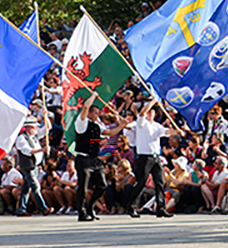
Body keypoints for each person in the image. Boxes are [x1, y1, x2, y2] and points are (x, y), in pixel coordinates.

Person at [73, 91, 126, 222]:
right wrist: (94, 96)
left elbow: (109, 132)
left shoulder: (97, 125)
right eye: (96, 113)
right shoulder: (81, 123)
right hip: (83, 158)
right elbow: (85, 107)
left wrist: (121, 126)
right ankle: (82, 212)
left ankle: (91, 207)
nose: (98, 115)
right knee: (83, 187)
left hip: (93, 158)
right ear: (90, 113)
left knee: (102, 184)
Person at [126, 96, 177, 218]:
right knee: (141, 182)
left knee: (160, 182)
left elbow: (166, 132)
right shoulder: (141, 123)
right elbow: (142, 112)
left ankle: (161, 208)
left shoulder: (156, 126)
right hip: (144, 157)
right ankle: (131, 206)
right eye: (149, 111)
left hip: (155, 156)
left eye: (152, 111)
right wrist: (153, 101)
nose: (150, 113)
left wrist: (177, 132)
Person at [15, 116, 52, 217]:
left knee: (26, 188)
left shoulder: (34, 136)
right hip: (28, 166)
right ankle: (43, 208)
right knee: (35, 186)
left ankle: (21, 209)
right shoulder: (22, 138)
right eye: (34, 127)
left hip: (35, 166)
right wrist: (42, 150)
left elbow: (48, 128)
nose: (36, 129)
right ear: (28, 127)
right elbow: (28, 151)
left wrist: (46, 116)